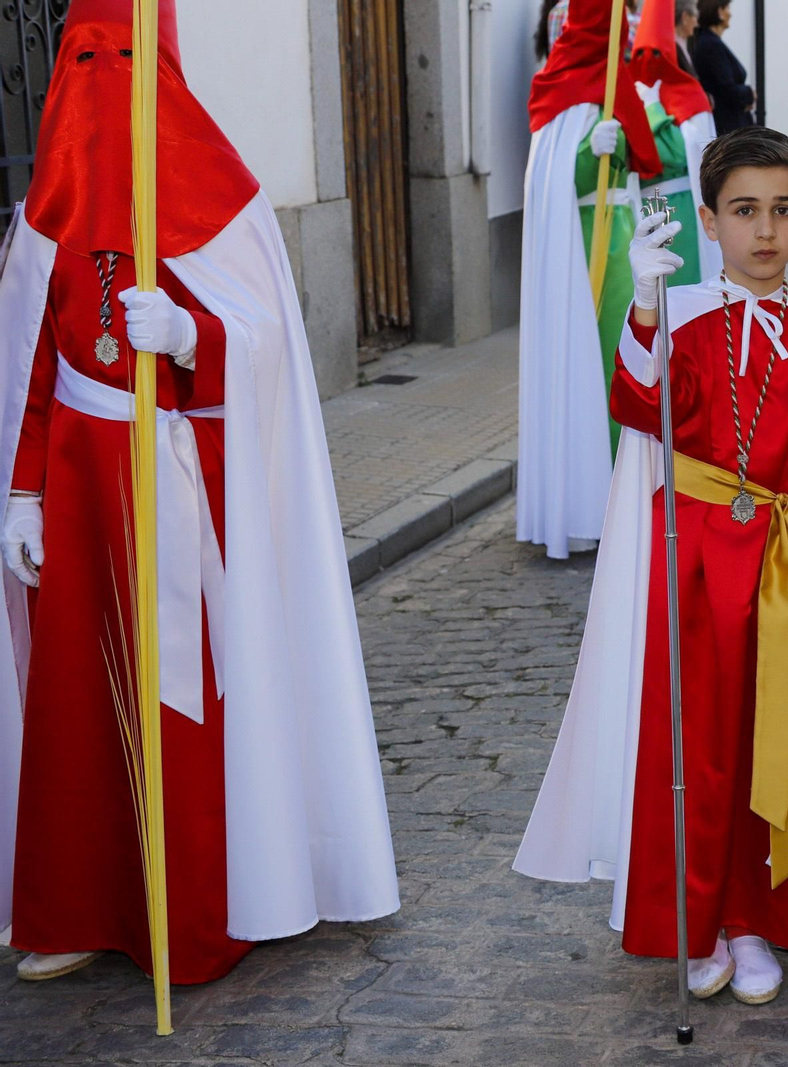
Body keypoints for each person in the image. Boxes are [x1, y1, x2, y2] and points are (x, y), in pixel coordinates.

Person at [0, 0, 398, 984]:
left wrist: (192, 337)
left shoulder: (221, 199)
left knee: (180, 704)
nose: (100, 78)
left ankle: (186, 913)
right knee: (77, 708)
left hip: (181, 491)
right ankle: (78, 906)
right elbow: (28, 375)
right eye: (81, 59)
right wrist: (22, 493)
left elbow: (266, 352)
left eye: (119, 57)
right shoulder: (45, 213)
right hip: (78, 492)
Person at [513, 127, 788, 1008]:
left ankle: (752, 917)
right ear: (709, 221)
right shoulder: (677, 315)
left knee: (767, 744)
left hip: (784, 565)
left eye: (783, 211)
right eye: (744, 211)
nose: (765, 231)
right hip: (689, 566)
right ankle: (695, 916)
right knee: (694, 748)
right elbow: (638, 404)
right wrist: (642, 305)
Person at [517, 0, 664, 557]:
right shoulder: (556, 90)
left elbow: (638, 161)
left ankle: (626, 492)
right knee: (594, 367)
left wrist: (618, 144)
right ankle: (591, 498)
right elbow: (553, 178)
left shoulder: (614, 85)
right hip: (577, 246)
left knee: (628, 361)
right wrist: (586, 152)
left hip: (618, 237)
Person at [633, 0, 722, 285]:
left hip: (681, 208)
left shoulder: (687, 94)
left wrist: (653, 110)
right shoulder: (631, 93)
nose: (648, 61)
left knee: (681, 288)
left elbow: (675, 153)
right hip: (640, 209)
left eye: (655, 53)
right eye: (640, 54)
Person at [691, 0, 755, 134]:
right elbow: (726, 89)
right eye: (727, 8)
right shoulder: (711, 46)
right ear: (720, 12)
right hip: (727, 125)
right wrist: (749, 94)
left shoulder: (708, 42)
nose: (730, 14)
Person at [674, 0, 698, 74]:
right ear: (685, 17)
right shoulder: (673, 48)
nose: (696, 23)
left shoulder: (688, 46)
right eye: (695, 16)